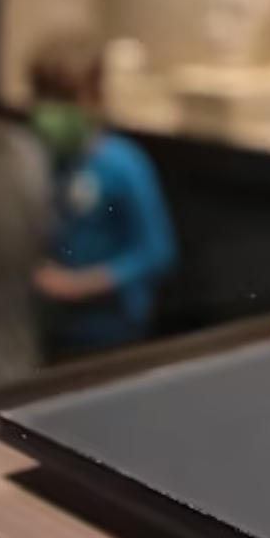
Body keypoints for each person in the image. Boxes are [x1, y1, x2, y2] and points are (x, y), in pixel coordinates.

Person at [27, 29, 176, 362]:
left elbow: (157, 251)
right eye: (43, 97)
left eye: (65, 97)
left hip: (113, 334)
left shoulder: (124, 165)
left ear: (94, 96)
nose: (51, 110)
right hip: (57, 332)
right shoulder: (44, 162)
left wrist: (85, 284)